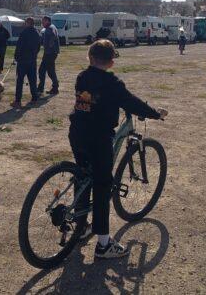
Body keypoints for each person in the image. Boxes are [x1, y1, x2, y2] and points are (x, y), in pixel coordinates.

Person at [69, 39, 167, 259]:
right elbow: (130, 102)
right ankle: (103, 244)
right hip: (98, 137)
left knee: (83, 175)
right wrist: (155, 113)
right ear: (111, 63)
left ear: (90, 58)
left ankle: (80, 224)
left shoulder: (82, 77)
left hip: (77, 133)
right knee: (102, 185)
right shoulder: (112, 83)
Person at [11, 17, 41, 108]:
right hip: (32, 60)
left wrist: (16, 57)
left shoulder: (24, 33)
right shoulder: (37, 33)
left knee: (20, 81)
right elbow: (39, 46)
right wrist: (34, 54)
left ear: (27, 23)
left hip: (23, 61)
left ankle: (18, 101)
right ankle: (35, 99)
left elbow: (19, 46)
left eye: (25, 23)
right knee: (33, 80)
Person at [37, 15, 60, 95]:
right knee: (51, 71)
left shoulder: (50, 28)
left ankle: (40, 89)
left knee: (42, 70)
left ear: (47, 21)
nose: (42, 23)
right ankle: (55, 88)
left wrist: (49, 46)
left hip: (50, 53)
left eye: (43, 21)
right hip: (51, 53)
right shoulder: (51, 27)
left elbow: (53, 36)